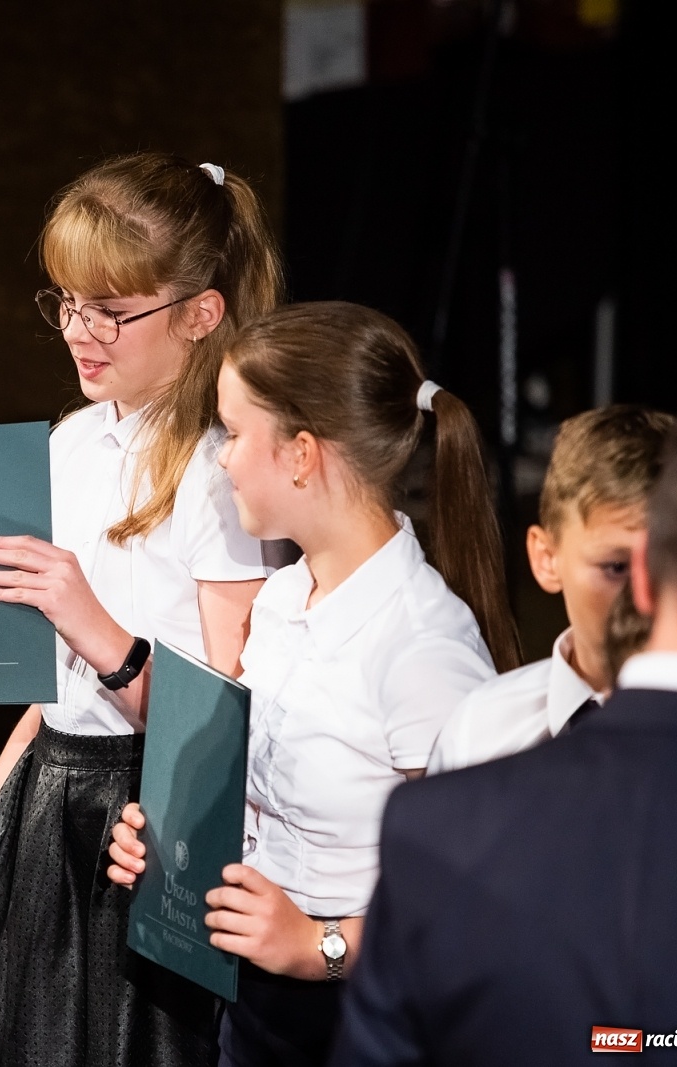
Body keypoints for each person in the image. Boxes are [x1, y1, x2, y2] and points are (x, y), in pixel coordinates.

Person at [0, 153, 281, 1067]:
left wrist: (96, 628)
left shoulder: (222, 472)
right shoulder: (69, 442)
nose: (78, 330)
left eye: (110, 309)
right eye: (65, 301)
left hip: (147, 834)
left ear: (200, 313)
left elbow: (227, 741)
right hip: (44, 808)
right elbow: (46, 704)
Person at [108, 301, 519, 1066]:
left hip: (366, 1019)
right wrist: (172, 842)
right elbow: (268, 805)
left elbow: (481, 896)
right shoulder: (284, 596)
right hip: (257, 1007)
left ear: (301, 454)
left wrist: (318, 945)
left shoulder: (422, 645)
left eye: (233, 433)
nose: (221, 459)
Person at [332, 386, 677, 1065]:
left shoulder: (442, 821)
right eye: (609, 566)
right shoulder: (476, 735)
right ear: (545, 556)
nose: (630, 606)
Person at [428, 405, 672, 772]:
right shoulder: (480, 735)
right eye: (617, 568)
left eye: (673, 568)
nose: (646, 595)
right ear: (546, 559)